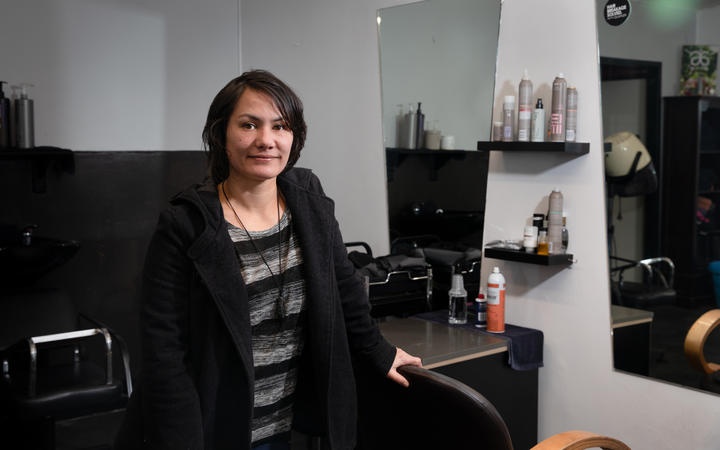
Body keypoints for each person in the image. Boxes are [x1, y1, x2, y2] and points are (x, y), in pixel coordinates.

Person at [115, 69, 422, 450]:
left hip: (290, 424)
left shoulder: (309, 198)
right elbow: (165, 353)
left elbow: (343, 286)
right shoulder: (186, 224)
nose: (266, 140)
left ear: (294, 138)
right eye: (249, 124)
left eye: (280, 126)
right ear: (220, 134)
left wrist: (379, 350)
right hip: (215, 428)